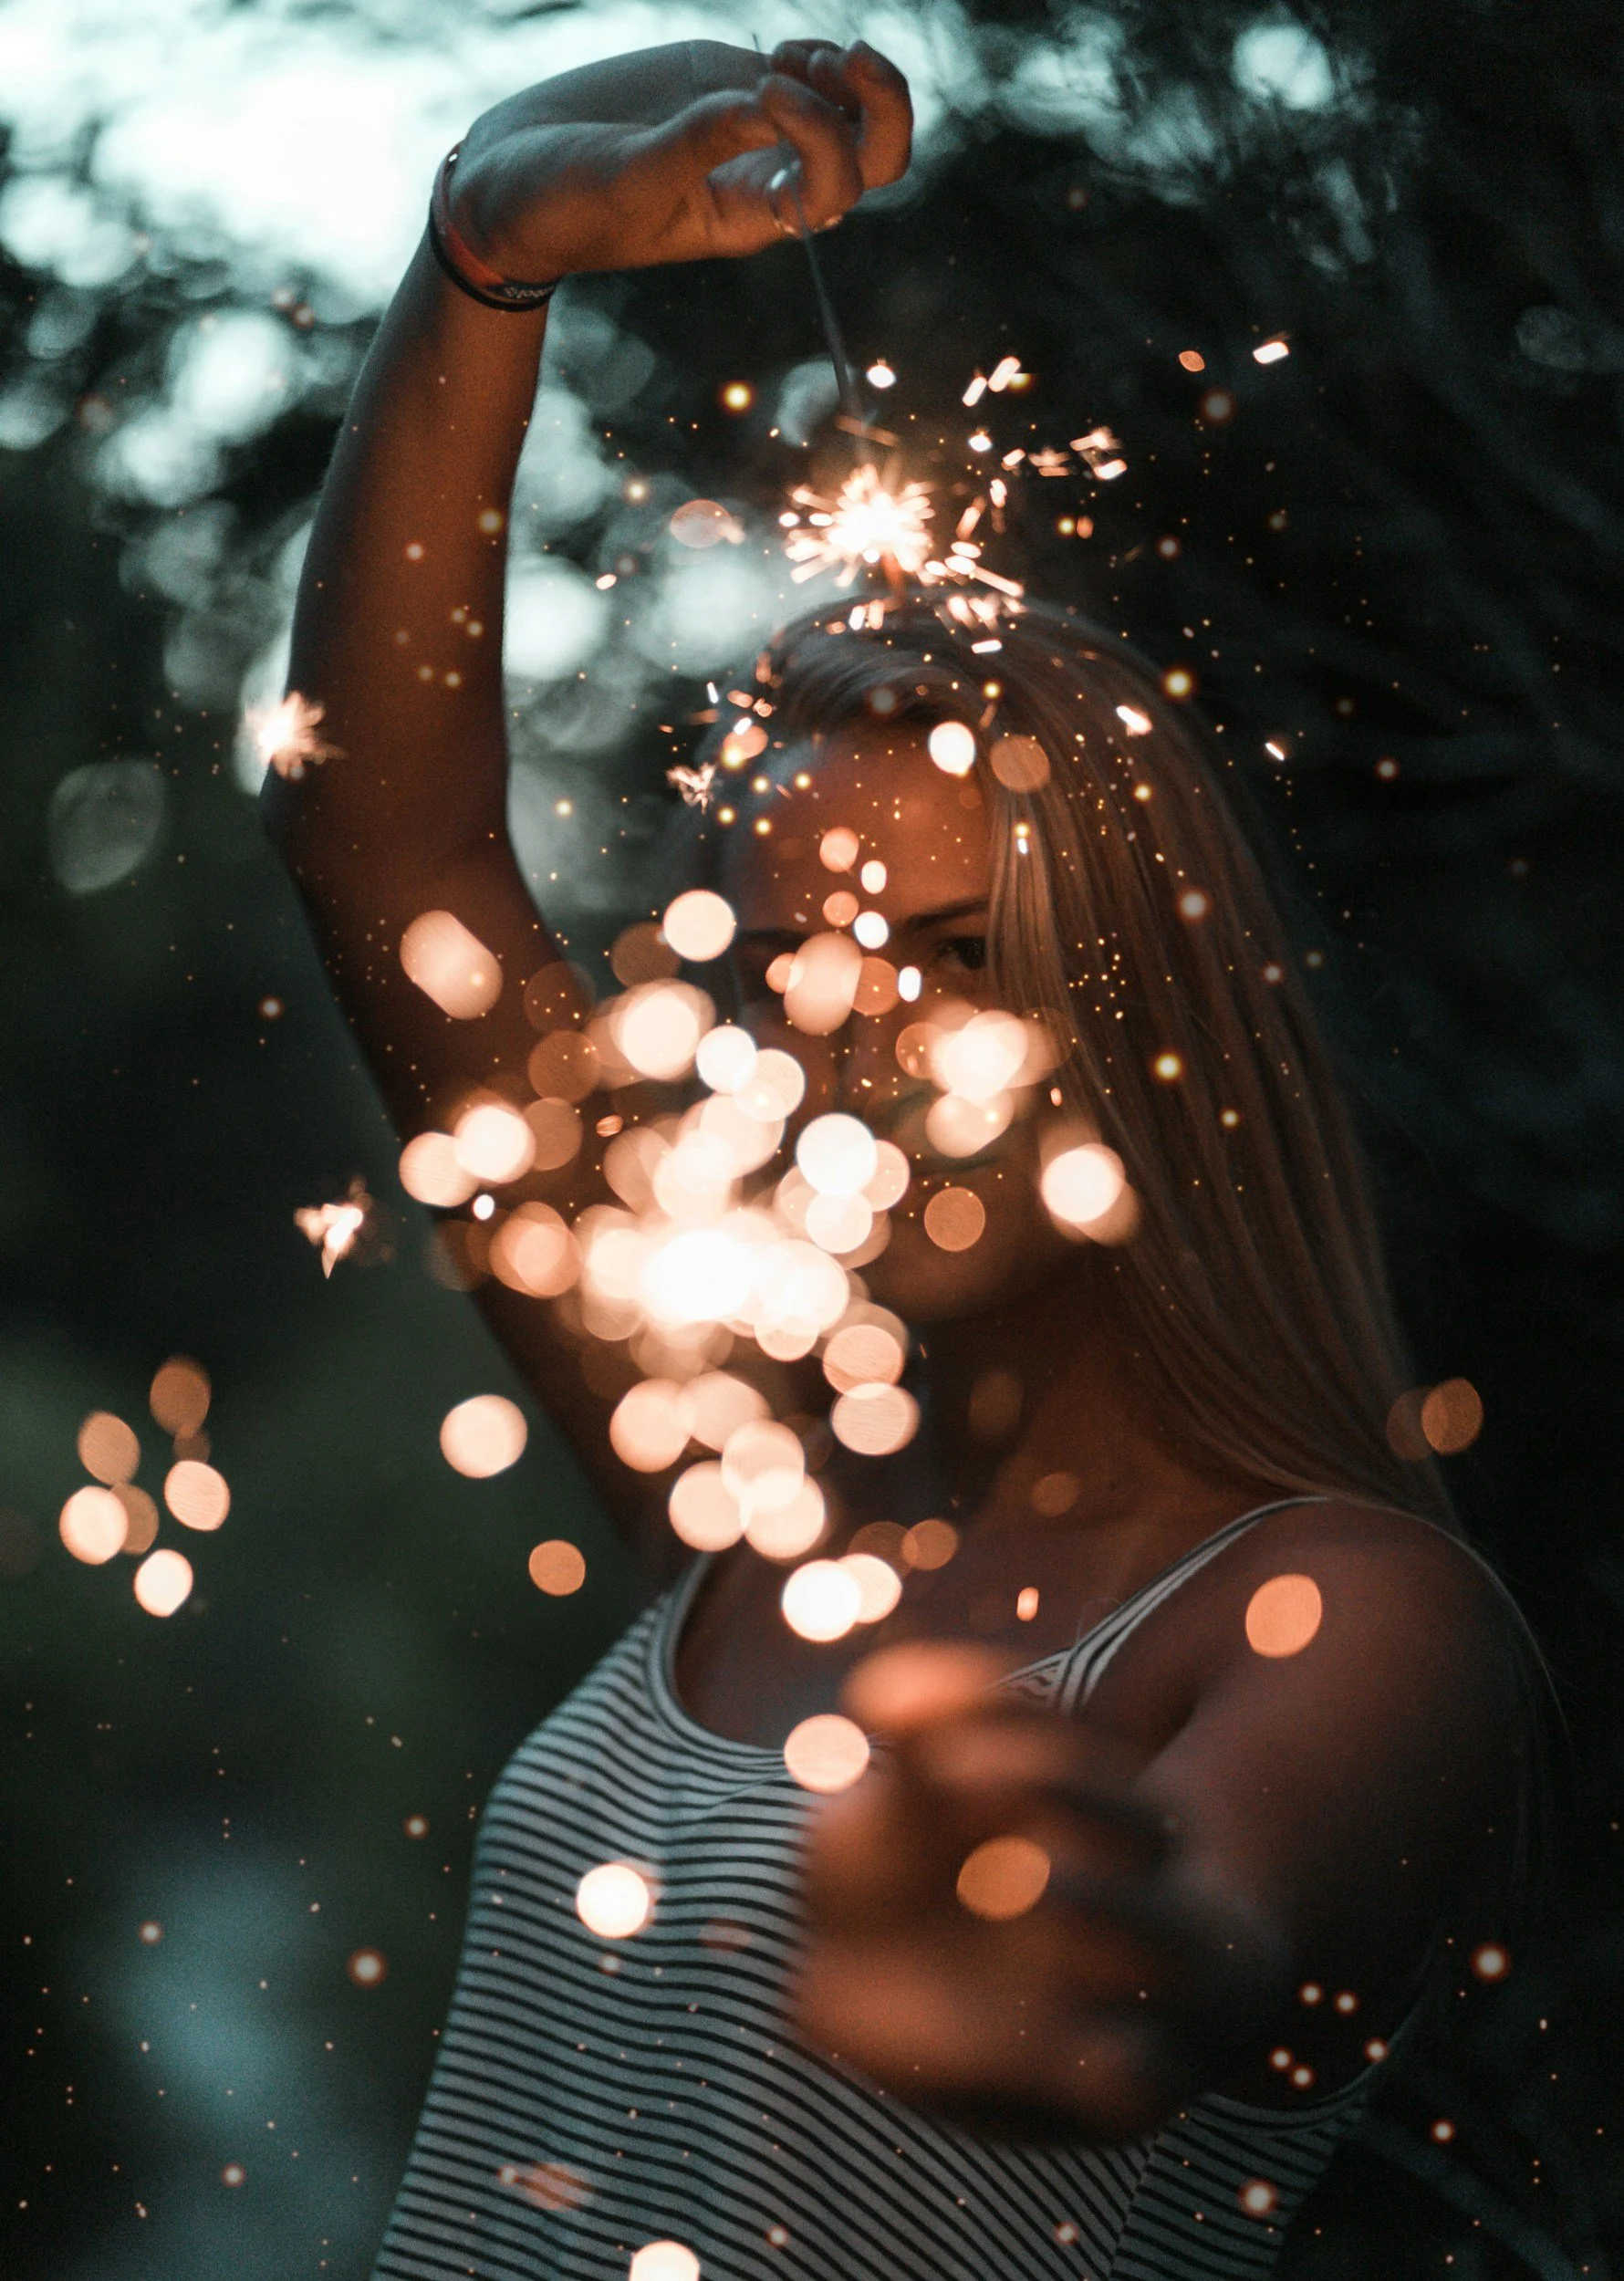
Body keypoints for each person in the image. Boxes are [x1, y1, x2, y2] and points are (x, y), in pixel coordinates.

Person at [262, 36, 1545, 2280]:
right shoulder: (749, 1476)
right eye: (773, 974)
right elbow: (384, 830)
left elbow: (1189, 1947)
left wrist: (1050, 1948)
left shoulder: (1346, 1611)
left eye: (941, 956)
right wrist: (480, 249)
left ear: (1149, 1025)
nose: (829, 1049)